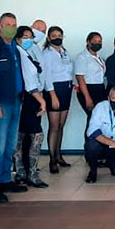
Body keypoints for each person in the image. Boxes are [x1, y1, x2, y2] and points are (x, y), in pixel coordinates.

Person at [0, 12, 27, 203]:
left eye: (14, 24)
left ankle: (5, 180)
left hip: (16, 100)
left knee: (10, 145)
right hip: (0, 103)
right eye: (7, 24)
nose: (11, 27)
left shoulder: (14, 47)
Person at [13, 26, 48, 188]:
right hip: (28, 98)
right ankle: (27, 172)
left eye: (30, 36)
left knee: (25, 135)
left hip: (31, 97)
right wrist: (41, 100)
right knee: (34, 135)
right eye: (25, 36)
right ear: (18, 37)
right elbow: (29, 81)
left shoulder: (26, 52)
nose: (29, 39)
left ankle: (25, 171)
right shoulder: (18, 52)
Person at [42, 26, 74, 173]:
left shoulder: (64, 52)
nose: (57, 37)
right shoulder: (46, 54)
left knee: (61, 125)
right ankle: (52, 160)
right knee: (54, 127)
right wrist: (52, 95)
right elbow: (46, 75)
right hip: (53, 90)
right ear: (48, 38)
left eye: (60, 35)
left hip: (66, 89)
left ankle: (58, 155)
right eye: (54, 35)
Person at [75, 32, 107, 132]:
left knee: (99, 119)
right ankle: (89, 145)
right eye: (95, 41)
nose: (97, 43)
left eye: (100, 42)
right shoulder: (82, 57)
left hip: (100, 89)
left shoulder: (99, 57)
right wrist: (87, 98)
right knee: (92, 119)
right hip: (88, 90)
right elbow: (80, 78)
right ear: (88, 42)